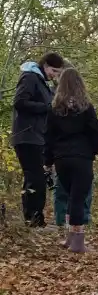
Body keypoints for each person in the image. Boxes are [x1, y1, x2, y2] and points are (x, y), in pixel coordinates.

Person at [44, 68, 98, 253]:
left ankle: (70, 238)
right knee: (79, 197)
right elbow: (96, 131)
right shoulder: (85, 107)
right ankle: (78, 242)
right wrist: (94, 150)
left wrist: (48, 160)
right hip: (81, 157)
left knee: (71, 196)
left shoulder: (54, 109)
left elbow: (48, 136)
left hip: (62, 158)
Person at [11, 52, 65, 227]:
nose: (54, 75)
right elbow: (19, 102)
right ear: (46, 65)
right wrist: (46, 107)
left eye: (57, 72)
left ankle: (34, 219)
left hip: (36, 136)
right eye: (54, 70)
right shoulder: (29, 78)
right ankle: (34, 221)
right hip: (26, 135)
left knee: (35, 178)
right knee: (36, 179)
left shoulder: (41, 82)